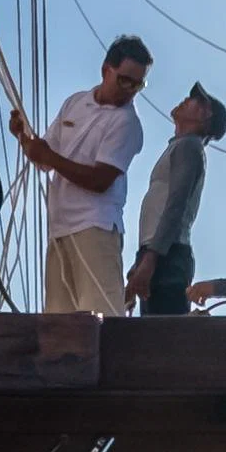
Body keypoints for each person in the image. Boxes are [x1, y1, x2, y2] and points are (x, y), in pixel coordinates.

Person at [16, 34, 151, 317]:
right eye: (125, 80)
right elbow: (44, 157)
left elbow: (100, 180)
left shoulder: (126, 123)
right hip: (60, 227)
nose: (130, 90)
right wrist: (23, 137)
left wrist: (48, 157)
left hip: (95, 226)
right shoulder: (76, 102)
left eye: (138, 85)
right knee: (58, 318)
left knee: (103, 316)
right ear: (106, 71)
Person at [126, 82, 224, 313]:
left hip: (166, 256)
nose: (185, 101)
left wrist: (149, 261)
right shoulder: (181, 147)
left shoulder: (189, 146)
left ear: (205, 114)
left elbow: (175, 206)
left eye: (195, 101)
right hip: (159, 253)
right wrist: (140, 263)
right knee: (154, 338)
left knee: (162, 340)